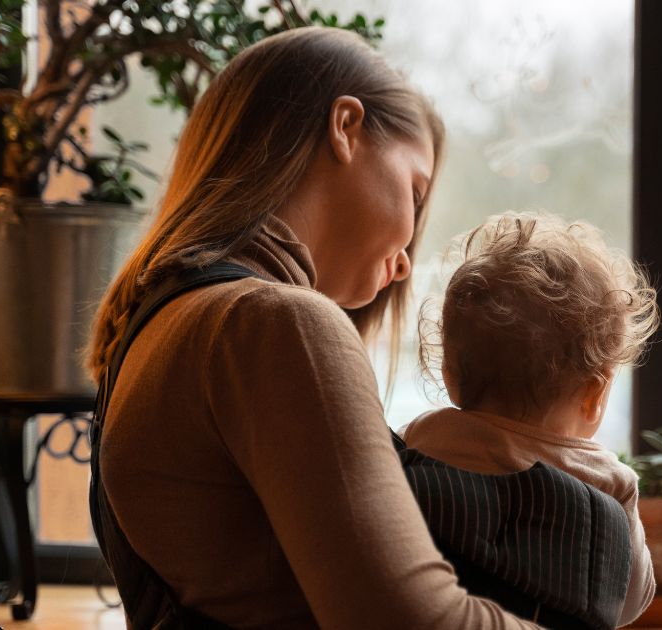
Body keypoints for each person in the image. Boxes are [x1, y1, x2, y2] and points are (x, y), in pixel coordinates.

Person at [87, 27, 540, 629]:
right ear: (345, 127)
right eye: (414, 189)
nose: (405, 261)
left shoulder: (157, 324)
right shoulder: (275, 324)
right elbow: (413, 623)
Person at [401, 212, 660, 627]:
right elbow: (628, 603)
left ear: (450, 377)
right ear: (594, 395)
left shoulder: (421, 438)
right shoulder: (607, 481)